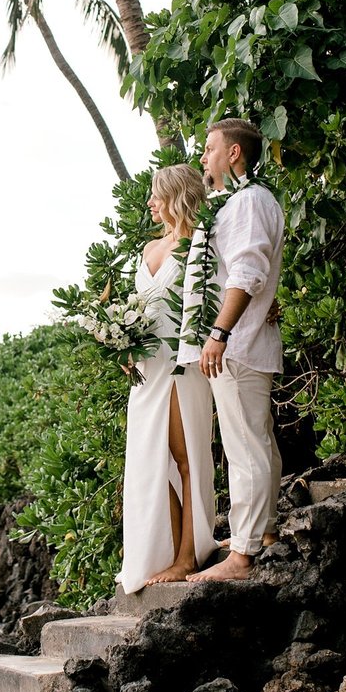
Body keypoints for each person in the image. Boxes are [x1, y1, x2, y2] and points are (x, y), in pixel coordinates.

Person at [177, 118, 285, 583]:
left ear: (234, 153)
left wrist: (218, 333)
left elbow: (247, 272)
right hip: (243, 342)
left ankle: (241, 557)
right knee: (255, 440)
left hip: (236, 345)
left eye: (208, 148)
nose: (203, 157)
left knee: (244, 448)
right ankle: (261, 532)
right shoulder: (244, 203)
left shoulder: (247, 202)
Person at [116, 164, 218, 594]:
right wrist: (123, 343)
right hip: (147, 369)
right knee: (150, 463)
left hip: (181, 366)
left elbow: (219, 296)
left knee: (184, 457)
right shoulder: (148, 248)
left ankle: (187, 556)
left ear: (177, 196)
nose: (151, 203)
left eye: (157, 195)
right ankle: (167, 549)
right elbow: (137, 307)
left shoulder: (200, 244)